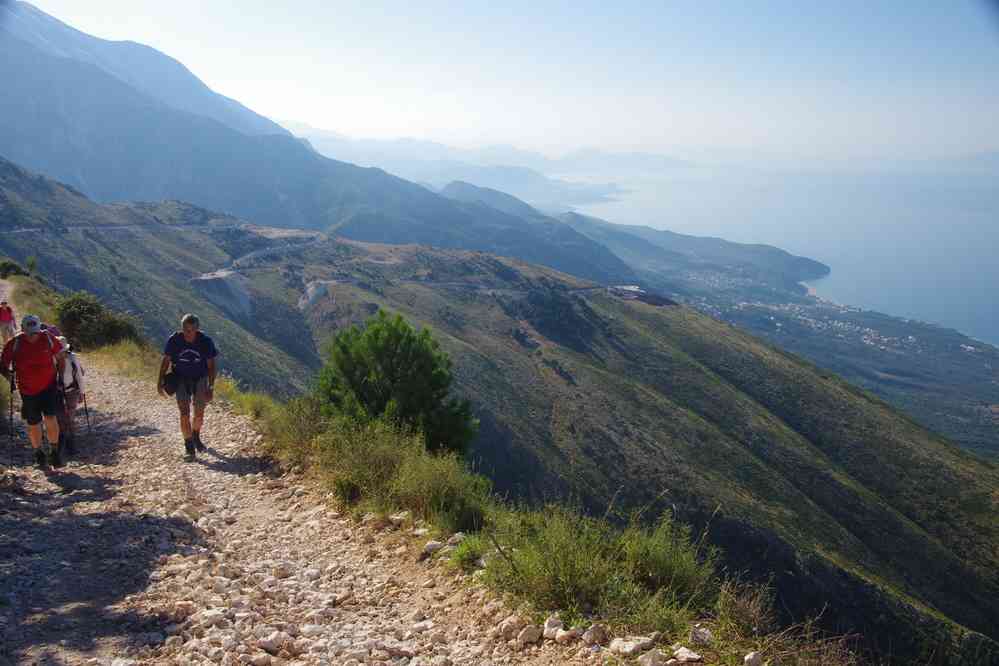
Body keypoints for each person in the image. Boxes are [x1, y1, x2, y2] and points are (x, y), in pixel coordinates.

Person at [0, 315, 64, 469]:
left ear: (39, 329)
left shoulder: (48, 338)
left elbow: (61, 356)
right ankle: (38, 452)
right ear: (22, 330)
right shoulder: (14, 343)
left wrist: (61, 377)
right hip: (27, 390)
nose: (33, 336)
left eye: (35, 332)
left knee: (50, 417)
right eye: (30, 333)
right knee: (33, 423)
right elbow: (3, 364)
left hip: (49, 385)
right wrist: (10, 379)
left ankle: (54, 451)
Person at [157, 313, 218, 461]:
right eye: (185, 329)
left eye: (191, 330)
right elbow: (166, 361)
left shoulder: (206, 342)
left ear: (197, 329)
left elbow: (212, 366)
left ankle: (195, 435)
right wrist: (159, 381)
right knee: (184, 412)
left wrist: (210, 386)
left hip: (200, 379)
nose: (187, 333)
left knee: (199, 413)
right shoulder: (174, 340)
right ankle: (189, 446)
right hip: (181, 379)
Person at [55, 336, 85, 456]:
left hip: (72, 390)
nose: (63, 353)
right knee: (59, 417)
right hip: (57, 392)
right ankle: (62, 442)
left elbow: (79, 376)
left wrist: (82, 392)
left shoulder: (73, 358)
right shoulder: (52, 359)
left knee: (70, 417)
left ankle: (70, 443)